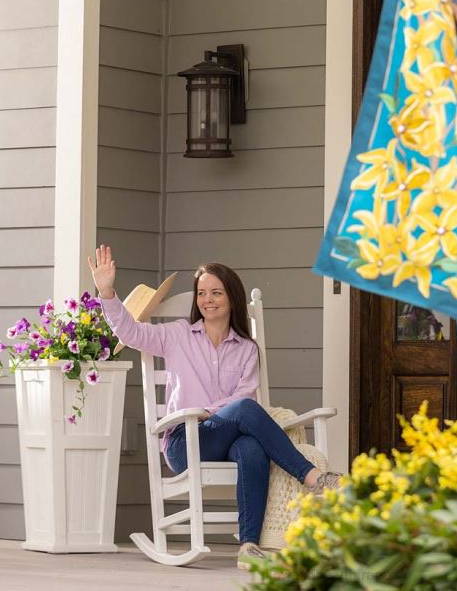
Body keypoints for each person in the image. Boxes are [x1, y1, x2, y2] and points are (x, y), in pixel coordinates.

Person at [88, 244, 340, 569]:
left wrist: (215, 411)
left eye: (216, 292)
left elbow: (243, 398)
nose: (207, 299)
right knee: (246, 411)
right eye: (202, 293)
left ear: (232, 297)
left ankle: (249, 546)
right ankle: (311, 476)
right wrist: (107, 291)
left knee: (250, 446)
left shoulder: (247, 349)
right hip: (185, 441)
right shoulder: (177, 335)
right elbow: (130, 332)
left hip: (228, 439)